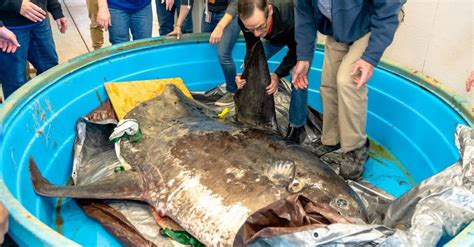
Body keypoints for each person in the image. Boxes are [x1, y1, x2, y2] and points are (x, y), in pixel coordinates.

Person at [292, 0, 404, 180]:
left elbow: (388, 8)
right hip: (339, 28)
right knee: (328, 84)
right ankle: (331, 139)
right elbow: (304, 15)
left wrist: (370, 57)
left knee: (347, 81)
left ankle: (356, 148)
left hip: (370, 24)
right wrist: (303, 57)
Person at [235, 0, 307, 143]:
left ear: (270, 11)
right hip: (272, 37)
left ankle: (297, 127)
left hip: (298, 38)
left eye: (260, 26)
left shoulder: (291, 17)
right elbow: (253, 47)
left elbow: (296, 51)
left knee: (298, 77)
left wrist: (277, 75)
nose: (256, 34)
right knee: (250, 67)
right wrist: (245, 75)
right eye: (251, 29)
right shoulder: (247, 22)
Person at [168, 0, 241, 106]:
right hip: (209, 12)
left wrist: (220, 27)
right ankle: (208, 86)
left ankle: (232, 91)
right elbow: (186, 2)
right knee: (205, 48)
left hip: (230, 13)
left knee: (223, 53)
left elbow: (235, 4)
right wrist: (178, 26)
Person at [0, 0, 68, 99]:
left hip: (39, 21)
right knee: (15, 83)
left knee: (50, 71)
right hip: (9, 27)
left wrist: (56, 10)